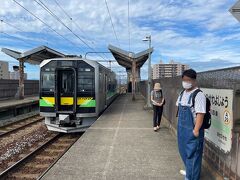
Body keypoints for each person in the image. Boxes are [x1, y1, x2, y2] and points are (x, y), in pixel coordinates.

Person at [176, 69, 206, 180]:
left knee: (193, 155)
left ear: (194, 80)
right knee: (183, 151)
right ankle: (189, 171)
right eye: (184, 80)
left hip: (193, 130)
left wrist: (196, 130)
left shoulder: (198, 95)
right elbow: (178, 107)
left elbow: (201, 114)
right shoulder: (182, 93)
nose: (185, 82)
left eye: (188, 80)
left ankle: (192, 177)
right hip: (182, 130)